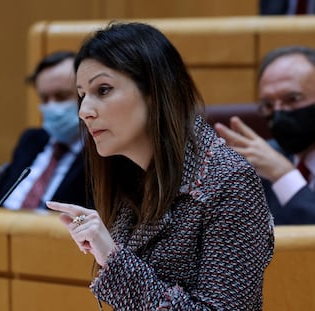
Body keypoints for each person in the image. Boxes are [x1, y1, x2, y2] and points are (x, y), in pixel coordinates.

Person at [46, 22, 274, 310]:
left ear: (154, 90)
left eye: (103, 90)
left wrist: (112, 257)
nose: (84, 111)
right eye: (82, 95)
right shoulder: (132, 176)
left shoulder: (229, 180)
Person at [214, 46, 315, 225]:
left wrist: (284, 176)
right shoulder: (257, 161)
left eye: (293, 99)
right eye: (268, 105)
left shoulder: (273, 165)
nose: (278, 113)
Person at [0, 51, 88, 211]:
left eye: (62, 96)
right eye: (44, 98)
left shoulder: (101, 155)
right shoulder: (31, 140)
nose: (51, 106)